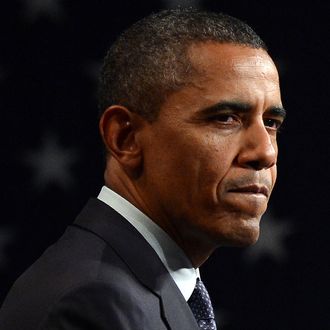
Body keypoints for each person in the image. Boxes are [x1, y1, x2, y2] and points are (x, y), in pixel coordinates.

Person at [0, 8, 286, 330]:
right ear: (125, 138)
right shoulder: (91, 305)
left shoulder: (146, 287)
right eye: (225, 118)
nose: (265, 151)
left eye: (272, 123)